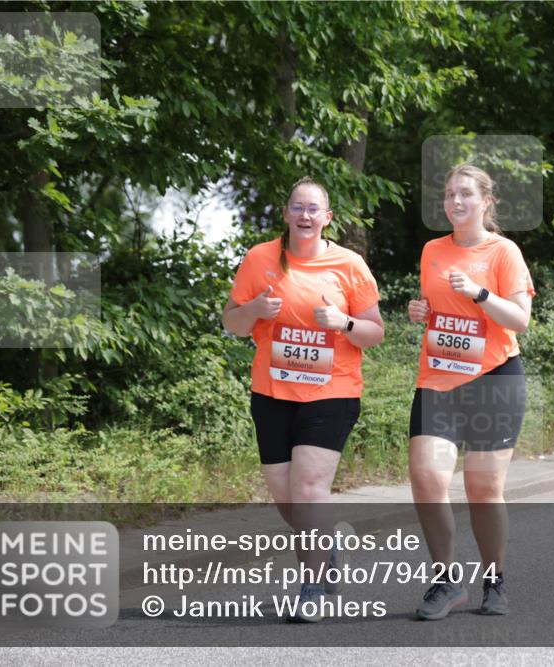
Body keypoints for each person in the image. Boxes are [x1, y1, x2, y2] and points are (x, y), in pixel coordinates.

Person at [222, 177, 384, 621]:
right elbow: (231, 323)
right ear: (287, 213)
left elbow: (375, 332)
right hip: (272, 392)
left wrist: (343, 323)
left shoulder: (349, 265)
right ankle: (329, 548)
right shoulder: (260, 258)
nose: (306, 216)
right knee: (286, 500)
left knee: (310, 489)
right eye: (298, 207)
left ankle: (311, 588)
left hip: (331, 392)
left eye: (314, 209)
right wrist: (254, 309)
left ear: (327, 218)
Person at [407, 164, 535, 619]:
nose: (455, 202)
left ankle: (494, 578)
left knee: (482, 488)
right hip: (439, 378)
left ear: (486, 202)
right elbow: (438, 309)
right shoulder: (432, 250)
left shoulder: (503, 252)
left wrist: (480, 294)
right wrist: (420, 311)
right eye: (448, 195)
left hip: (494, 379)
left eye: (465, 194)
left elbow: (520, 319)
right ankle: (445, 582)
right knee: (426, 475)